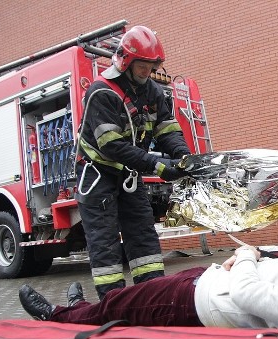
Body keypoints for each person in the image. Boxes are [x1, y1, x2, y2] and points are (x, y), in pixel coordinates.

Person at [18, 245, 278, 333]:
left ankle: (57, 318)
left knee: (122, 305)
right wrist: (254, 257)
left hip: (203, 302)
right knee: (120, 300)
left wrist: (246, 254)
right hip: (210, 281)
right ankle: (81, 309)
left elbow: (252, 298)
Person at [75, 25, 191, 300]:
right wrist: (158, 166)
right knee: (105, 245)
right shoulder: (102, 92)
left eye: (152, 67)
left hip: (129, 174)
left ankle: (152, 298)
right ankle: (115, 304)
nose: (147, 73)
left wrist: (183, 156)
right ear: (126, 61)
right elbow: (112, 145)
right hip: (98, 175)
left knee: (143, 236)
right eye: (142, 67)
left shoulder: (152, 92)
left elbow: (167, 130)